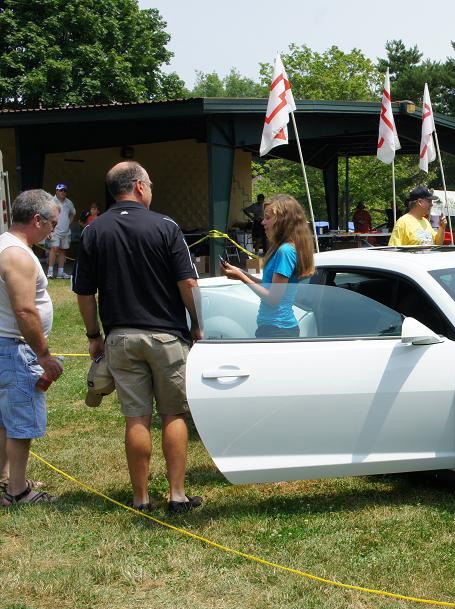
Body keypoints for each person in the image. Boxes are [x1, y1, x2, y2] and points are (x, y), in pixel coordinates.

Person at [73, 161, 203, 514]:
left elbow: (85, 293)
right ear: (140, 187)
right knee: (174, 415)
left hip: (121, 338)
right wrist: (198, 324)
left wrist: (93, 336)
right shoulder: (166, 226)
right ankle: (177, 495)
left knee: (136, 419)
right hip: (167, 337)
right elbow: (188, 283)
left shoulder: (94, 231)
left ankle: (141, 498)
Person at [0, 190, 62, 506]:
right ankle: (18, 492)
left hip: (6, 346)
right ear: (36, 219)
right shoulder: (17, 255)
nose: (53, 230)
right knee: (21, 423)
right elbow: (25, 310)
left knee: (4, 420)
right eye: (52, 223)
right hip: (15, 348)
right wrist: (44, 356)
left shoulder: (5, 246)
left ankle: (8, 480)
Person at [221, 195, 315, 338]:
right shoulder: (282, 249)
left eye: (268, 218)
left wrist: (241, 278)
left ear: (283, 221)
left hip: (278, 329)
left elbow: (273, 299)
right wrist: (242, 273)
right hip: (275, 328)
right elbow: (269, 285)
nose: (263, 222)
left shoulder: (285, 251)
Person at [47, 183, 75, 279]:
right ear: (56, 191)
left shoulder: (69, 202)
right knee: (54, 249)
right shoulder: (51, 202)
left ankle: (60, 273)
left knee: (63, 250)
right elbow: (47, 216)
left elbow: (72, 213)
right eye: (61, 190)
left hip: (65, 231)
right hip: (54, 230)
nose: (63, 192)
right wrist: (49, 230)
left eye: (64, 191)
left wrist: (68, 223)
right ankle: (50, 272)